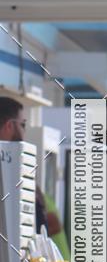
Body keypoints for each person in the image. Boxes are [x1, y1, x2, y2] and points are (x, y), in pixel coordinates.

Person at [0, 97, 61, 236]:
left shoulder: (20, 175)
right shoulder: (20, 177)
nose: (24, 132)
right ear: (9, 126)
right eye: (23, 125)